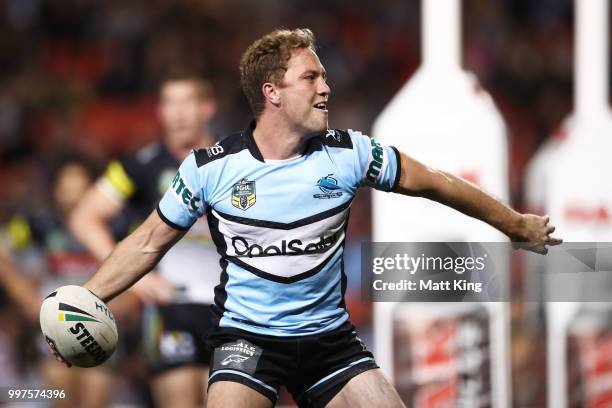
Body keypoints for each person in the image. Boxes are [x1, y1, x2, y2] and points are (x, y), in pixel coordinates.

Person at [56, 29, 561, 408]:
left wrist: (513, 223)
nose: (326, 87)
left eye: (324, 75)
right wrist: (84, 302)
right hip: (247, 340)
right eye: (311, 77)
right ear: (273, 93)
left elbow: (435, 181)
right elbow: (146, 244)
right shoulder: (212, 169)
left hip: (329, 341)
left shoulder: (349, 154)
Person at [68, 68, 219, 407]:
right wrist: (135, 279)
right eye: (169, 104)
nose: (178, 114)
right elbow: (83, 217)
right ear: (159, 111)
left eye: (187, 103)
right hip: (169, 310)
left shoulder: (235, 160)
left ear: (208, 107)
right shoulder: (141, 164)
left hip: (232, 309)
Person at [0, 155, 120, 408]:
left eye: (80, 190)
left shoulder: (114, 226)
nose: (72, 199)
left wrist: (119, 307)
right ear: (55, 191)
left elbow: (135, 266)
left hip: (99, 330)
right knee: (61, 401)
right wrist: (25, 296)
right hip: (53, 330)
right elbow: (3, 251)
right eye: (66, 190)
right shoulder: (38, 223)